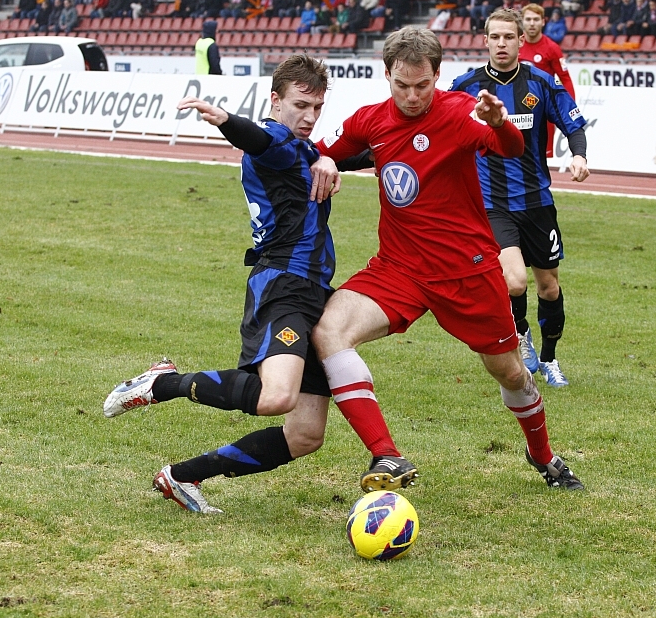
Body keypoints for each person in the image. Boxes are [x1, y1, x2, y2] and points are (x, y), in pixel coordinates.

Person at [310, 27, 585, 492]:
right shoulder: (368, 120)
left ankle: (542, 455)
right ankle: (386, 454)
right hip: (397, 269)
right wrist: (325, 160)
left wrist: (499, 123)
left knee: (510, 373)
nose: (412, 96)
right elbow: (318, 152)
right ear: (386, 74)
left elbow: (511, 148)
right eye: (402, 85)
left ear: (437, 75)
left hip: (467, 272)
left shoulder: (460, 111)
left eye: (422, 85)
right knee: (328, 332)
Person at [103, 55, 354, 514]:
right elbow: (259, 140)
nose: (309, 116)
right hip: (283, 283)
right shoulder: (275, 140)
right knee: (277, 396)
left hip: (315, 292)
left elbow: (356, 151)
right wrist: (224, 120)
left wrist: (330, 155)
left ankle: (182, 476)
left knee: (305, 435)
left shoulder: (302, 148)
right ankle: (164, 384)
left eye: (317, 107)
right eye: (300, 105)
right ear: (275, 100)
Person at [450, 7, 588, 391]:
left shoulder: (540, 82)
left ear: (520, 40)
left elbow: (573, 124)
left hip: (537, 202)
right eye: (494, 37)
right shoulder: (465, 86)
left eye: (508, 37)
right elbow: (440, 128)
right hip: (492, 203)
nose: (501, 44)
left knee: (549, 287)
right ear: (485, 41)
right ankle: (522, 334)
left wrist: (579, 155)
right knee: (513, 282)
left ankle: (550, 358)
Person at [519, 3, 575, 159]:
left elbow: (565, 78)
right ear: (522, 22)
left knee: (542, 158)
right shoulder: (514, 45)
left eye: (536, 19)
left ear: (543, 22)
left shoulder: (552, 48)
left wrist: (569, 106)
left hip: (542, 108)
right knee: (516, 155)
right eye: (528, 19)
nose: (532, 23)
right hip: (516, 108)